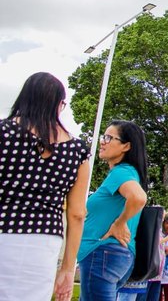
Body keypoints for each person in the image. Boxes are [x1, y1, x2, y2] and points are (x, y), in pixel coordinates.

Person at [0, 72, 91, 301]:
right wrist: (68, 269)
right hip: (45, 240)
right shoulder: (77, 151)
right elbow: (77, 214)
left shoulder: (4, 132)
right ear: (59, 105)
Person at [79, 120, 149, 300]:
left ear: (126, 146)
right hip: (111, 255)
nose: (103, 141)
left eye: (109, 138)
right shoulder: (128, 173)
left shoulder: (122, 172)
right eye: (104, 136)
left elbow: (139, 198)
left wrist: (120, 223)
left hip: (101, 253)